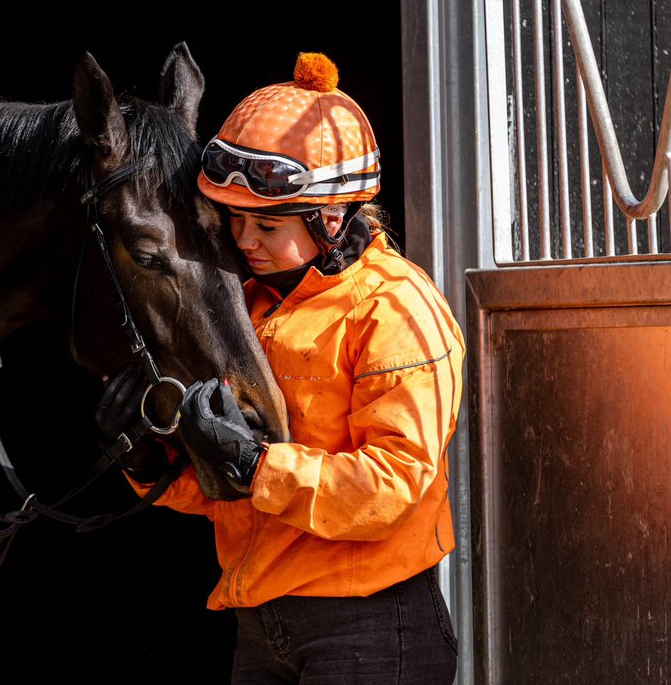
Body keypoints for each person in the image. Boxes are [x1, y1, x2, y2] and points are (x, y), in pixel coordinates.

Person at [96, 52, 465, 684]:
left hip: (371, 629)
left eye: (267, 224)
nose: (245, 241)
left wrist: (255, 463)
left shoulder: (394, 309)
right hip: (262, 628)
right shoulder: (248, 307)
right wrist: (149, 459)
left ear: (330, 218)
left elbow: (395, 486)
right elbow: (230, 499)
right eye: (235, 220)